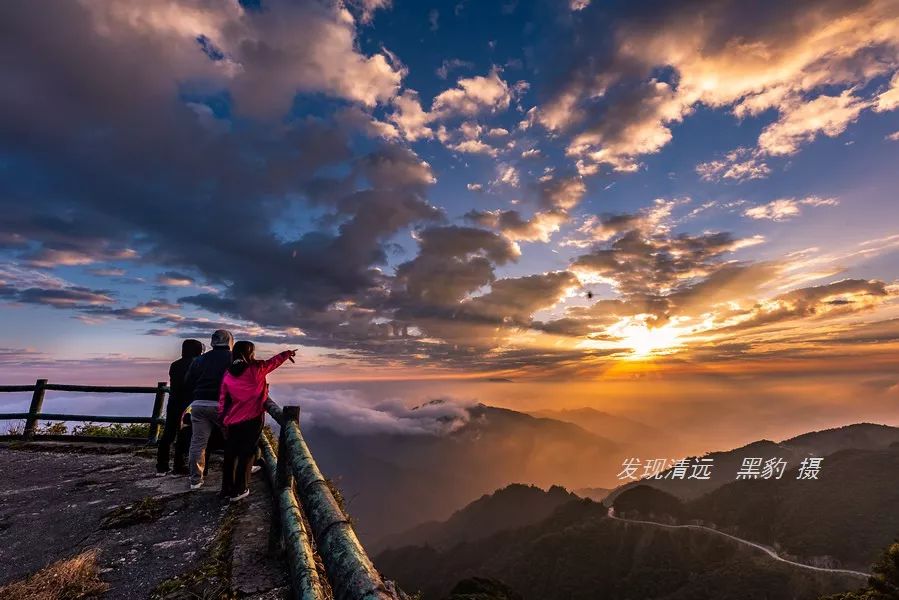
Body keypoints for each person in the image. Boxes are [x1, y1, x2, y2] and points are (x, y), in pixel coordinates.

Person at [219, 341, 296, 501]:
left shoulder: (228, 373)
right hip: (252, 418)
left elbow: (222, 399)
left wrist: (222, 419)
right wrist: (287, 353)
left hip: (232, 419)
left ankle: (226, 489)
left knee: (231, 453)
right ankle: (239, 490)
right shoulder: (256, 369)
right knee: (246, 452)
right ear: (249, 353)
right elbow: (273, 362)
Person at [185, 329, 234, 490]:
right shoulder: (233, 359)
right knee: (233, 440)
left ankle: (195, 480)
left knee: (198, 443)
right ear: (229, 341)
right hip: (222, 405)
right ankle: (235, 474)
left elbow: (189, 381)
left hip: (198, 404)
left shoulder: (199, 360)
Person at [156, 339, 204, 476]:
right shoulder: (197, 364)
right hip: (188, 404)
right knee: (184, 435)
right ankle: (179, 465)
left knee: (168, 434)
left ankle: (161, 466)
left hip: (173, 402)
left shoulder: (175, 365)